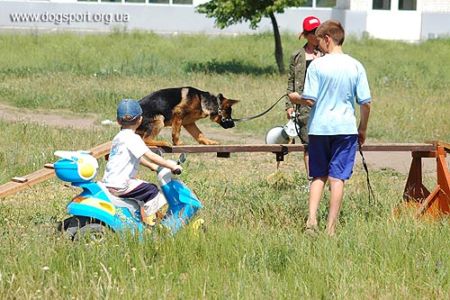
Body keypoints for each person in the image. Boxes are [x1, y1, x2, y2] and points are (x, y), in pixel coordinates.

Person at [289, 20, 372, 236]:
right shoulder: (355, 65)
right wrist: (362, 129)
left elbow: (309, 99)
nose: (319, 47)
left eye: (320, 42)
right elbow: (365, 103)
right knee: (337, 178)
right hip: (345, 129)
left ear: (327, 39)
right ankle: (331, 228)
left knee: (318, 176)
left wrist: (294, 98)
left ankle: (311, 220)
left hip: (319, 129)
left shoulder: (317, 65)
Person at [102, 99, 182, 225]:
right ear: (140, 120)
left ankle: (141, 217)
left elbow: (137, 156)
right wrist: (171, 165)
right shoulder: (134, 139)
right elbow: (150, 155)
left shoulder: (119, 138)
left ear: (118, 121)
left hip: (109, 182)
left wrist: (153, 167)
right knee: (152, 191)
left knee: (143, 192)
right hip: (121, 185)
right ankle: (150, 223)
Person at [286, 15, 323, 177]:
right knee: (308, 145)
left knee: (323, 144)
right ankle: (311, 178)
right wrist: (288, 106)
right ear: (305, 34)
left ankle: (325, 178)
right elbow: (291, 82)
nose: (316, 36)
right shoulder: (297, 56)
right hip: (303, 106)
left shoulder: (327, 55)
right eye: (312, 32)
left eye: (318, 32)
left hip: (322, 104)